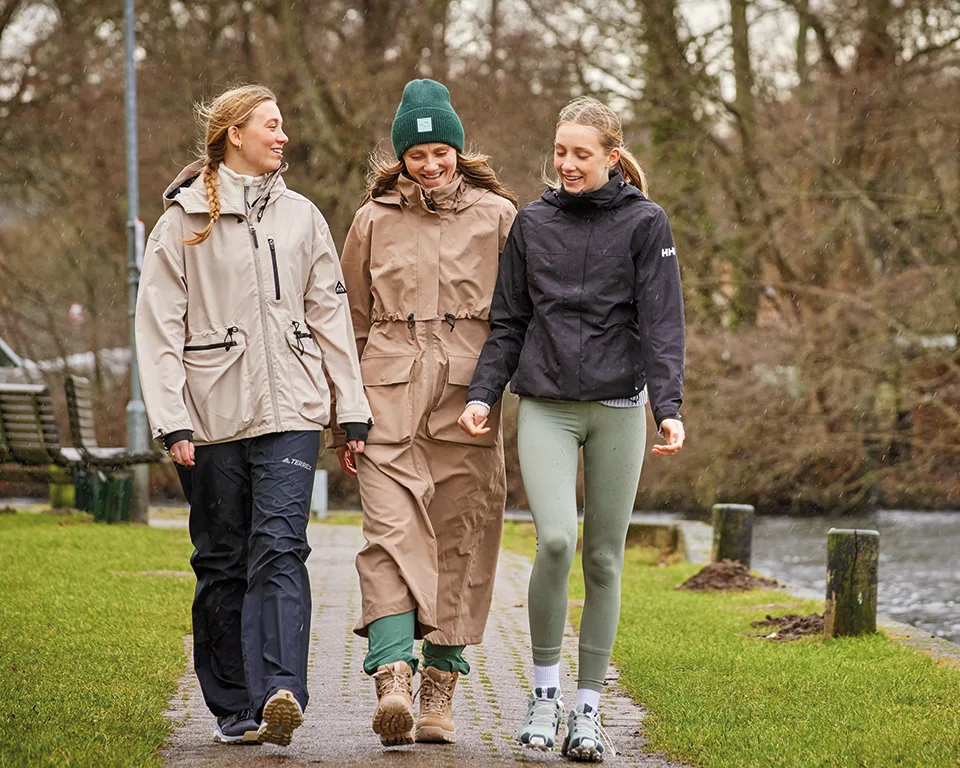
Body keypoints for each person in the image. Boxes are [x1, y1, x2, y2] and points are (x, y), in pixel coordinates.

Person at [136, 84, 372, 748]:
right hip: (209, 417)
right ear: (233, 133)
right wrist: (171, 419)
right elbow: (158, 327)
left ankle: (282, 690)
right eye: (271, 125)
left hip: (291, 409)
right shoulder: (182, 221)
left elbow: (330, 315)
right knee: (221, 560)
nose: (284, 136)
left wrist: (349, 409)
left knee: (281, 547)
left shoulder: (303, 217)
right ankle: (233, 705)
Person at [459, 96, 686, 763]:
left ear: (611, 157)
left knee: (605, 558)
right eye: (560, 152)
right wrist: (482, 394)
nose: (566, 164)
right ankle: (543, 694)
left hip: (619, 406)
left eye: (580, 154)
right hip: (547, 404)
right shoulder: (533, 223)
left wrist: (666, 406)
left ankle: (589, 712)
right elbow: (508, 321)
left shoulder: (647, 223)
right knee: (556, 541)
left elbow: (664, 324)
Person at [330, 78, 518, 747]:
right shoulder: (372, 220)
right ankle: (392, 678)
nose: (430, 164)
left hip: (469, 402)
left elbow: (519, 318)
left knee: (463, 542)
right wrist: (343, 417)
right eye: (417, 154)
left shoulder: (499, 217)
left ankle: (442, 686)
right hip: (385, 400)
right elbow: (347, 321)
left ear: (458, 151)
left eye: (441, 150)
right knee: (386, 537)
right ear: (401, 158)